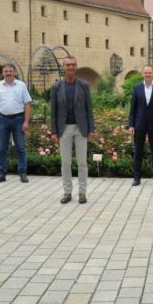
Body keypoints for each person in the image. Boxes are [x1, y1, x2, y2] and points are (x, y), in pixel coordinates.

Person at [50, 56, 95, 204]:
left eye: (73, 65)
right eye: (67, 65)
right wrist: (54, 131)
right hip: (64, 130)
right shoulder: (56, 87)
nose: (70, 67)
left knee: (82, 163)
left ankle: (82, 193)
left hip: (81, 128)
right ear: (63, 67)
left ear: (76, 67)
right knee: (66, 163)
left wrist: (91, 129)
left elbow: (89, 109)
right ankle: (67, 193)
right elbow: (53, 111)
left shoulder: (84, 85)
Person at [0, 64, 32, 183]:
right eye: (6, 71)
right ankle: (2, 174)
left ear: (14, 72)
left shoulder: (21, 85)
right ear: (2, 73)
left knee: (21, 148)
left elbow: (27, 104)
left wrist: (26, 122)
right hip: (2, 119)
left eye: (10, 71)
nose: (8, 73)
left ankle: (22, 173)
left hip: (18, 119)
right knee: (2, 149)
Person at [128, 65, 153, 186]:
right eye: (145, 73)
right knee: (138, 151)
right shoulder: (137, 88)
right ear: (142, 74)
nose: (147, 75)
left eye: (149, 73)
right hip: (139, 125)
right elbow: (132, 109)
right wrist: (131, 125)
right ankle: (136, 178)